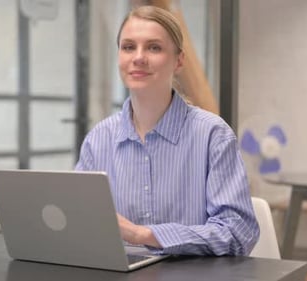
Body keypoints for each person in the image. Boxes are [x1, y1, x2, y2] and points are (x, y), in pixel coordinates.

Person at [75, 6, 259, 256]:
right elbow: (79, 218)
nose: (138, 57)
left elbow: (238, 232)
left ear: (179, 60)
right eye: (128, 47)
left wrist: (143, 235)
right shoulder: (98, 139)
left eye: (154, 47)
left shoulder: (213, 135)